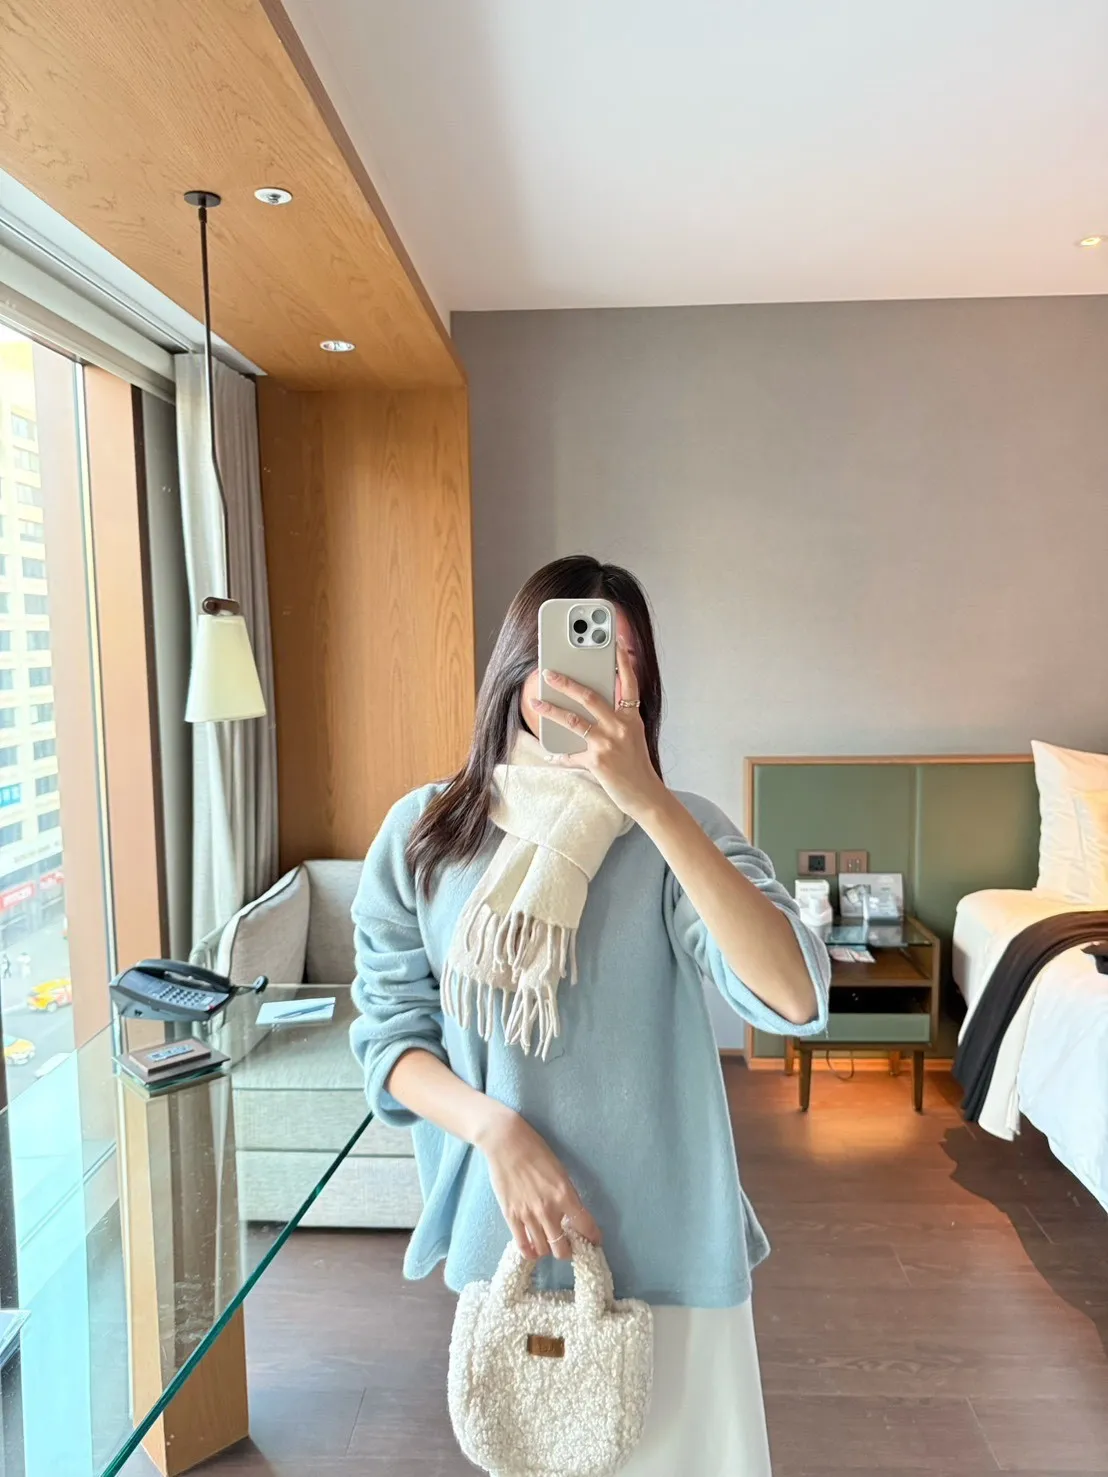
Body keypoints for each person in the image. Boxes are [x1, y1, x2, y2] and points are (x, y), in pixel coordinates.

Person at [351, 555, 830, 1474]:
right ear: (515, 670)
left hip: (671, 1260)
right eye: (564, 654)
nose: (589, 682)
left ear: (644, 689)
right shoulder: (425, 834)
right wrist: (493, 1129)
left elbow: (792, 994)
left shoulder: (683, 832)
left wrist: (649, 800)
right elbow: (390, 1037)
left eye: (620, 661)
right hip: (510, 1248)